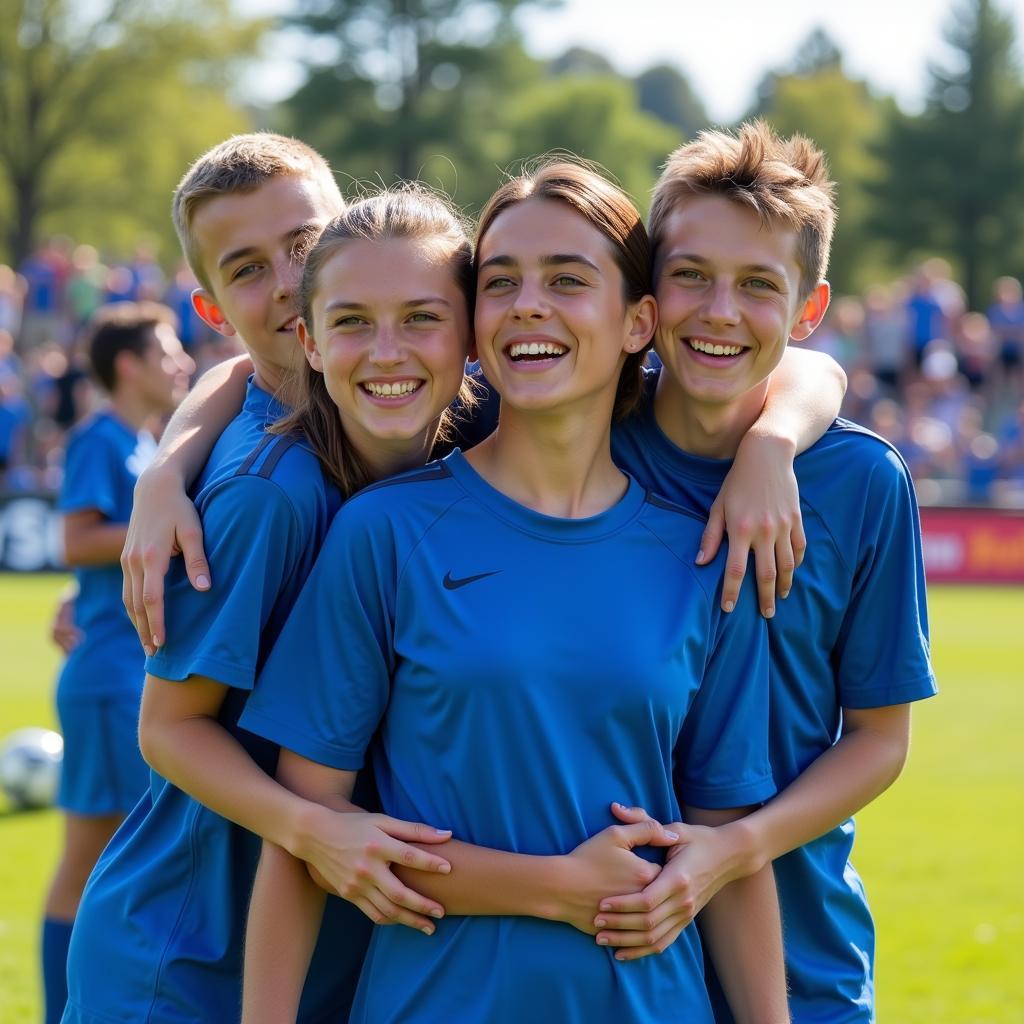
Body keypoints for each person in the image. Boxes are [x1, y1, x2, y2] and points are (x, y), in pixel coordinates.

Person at [238, 159, 786, 1024]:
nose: (529, 303)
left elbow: (723, 854)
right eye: (501, 283)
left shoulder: (705, 549)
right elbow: (306, 837)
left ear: (640, 321)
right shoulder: (384, 534)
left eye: (567, 279)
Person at [595, 122, 936, 1022]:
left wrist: (737, 847)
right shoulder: (574, 436)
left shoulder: (861, 482)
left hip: (800, 954)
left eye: (758, 286)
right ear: (648, 291)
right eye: (692, 276)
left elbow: (879, 738)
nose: (719, 311)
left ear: (809, 308)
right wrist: (169, 465)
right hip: (600, 945)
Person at [43, 301, 194, 1024]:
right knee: (95, 862)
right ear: (128, 366)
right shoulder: (100, 439)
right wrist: (166, 528)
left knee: (119, 860)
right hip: (107, 678)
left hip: (126, 672)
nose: (181, 363)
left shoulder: (142, 444)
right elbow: (76, 540)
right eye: (165, 352)